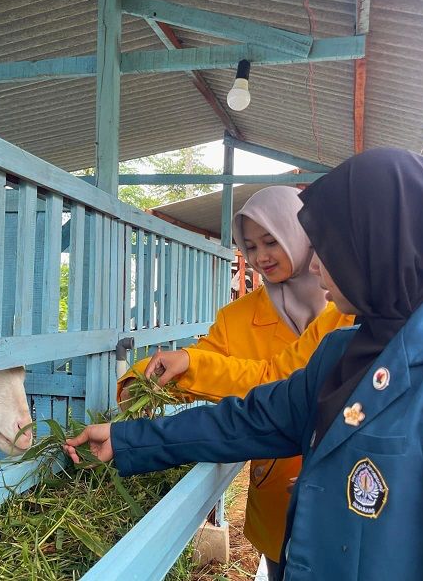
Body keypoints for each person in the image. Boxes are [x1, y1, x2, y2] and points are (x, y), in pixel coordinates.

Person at [65, 148, 423, 580]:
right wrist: (125, 440)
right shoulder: (344, 350)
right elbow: (249, 420)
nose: (314, 264)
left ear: (382, 246)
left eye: (330, 248)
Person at [118, 186, 354, 577]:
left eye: (271, 241)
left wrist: (192, 364)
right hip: (277, 493)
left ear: (303, 235)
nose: (261, 257)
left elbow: (275, 381)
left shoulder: (347, 308)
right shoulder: (239, 316)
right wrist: (142, 379)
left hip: (345, 493)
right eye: (250, 246)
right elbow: (204, 358)